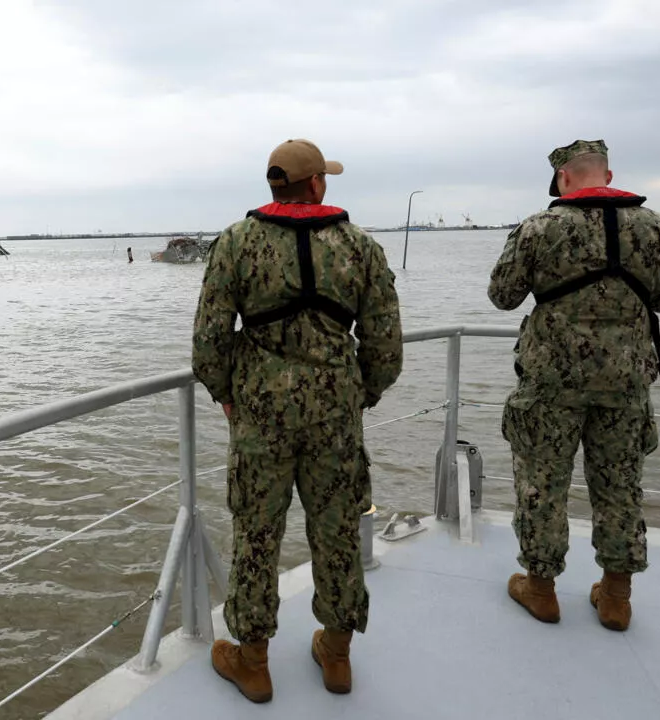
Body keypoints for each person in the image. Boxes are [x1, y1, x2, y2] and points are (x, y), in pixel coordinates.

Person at [192, 138, 403, 702]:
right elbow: (385, 347)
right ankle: (336, 657)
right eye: (323, 177)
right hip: (334, 414)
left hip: (261, 413)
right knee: (336, 533)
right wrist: (361, 395)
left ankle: (253, 663)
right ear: (315, 185)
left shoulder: (236, 243)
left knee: (256, 535)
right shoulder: (359, 246)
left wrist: (226, 395)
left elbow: (209, 341)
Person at [488, 139, 660, 631]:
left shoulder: (539, 229)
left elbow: (502, 295)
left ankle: (541, 590)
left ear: (564, 178)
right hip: (625, 385)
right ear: (609, 173)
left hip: (551, 385)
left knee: (542, 486)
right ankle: (616, 598)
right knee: (621, 487)